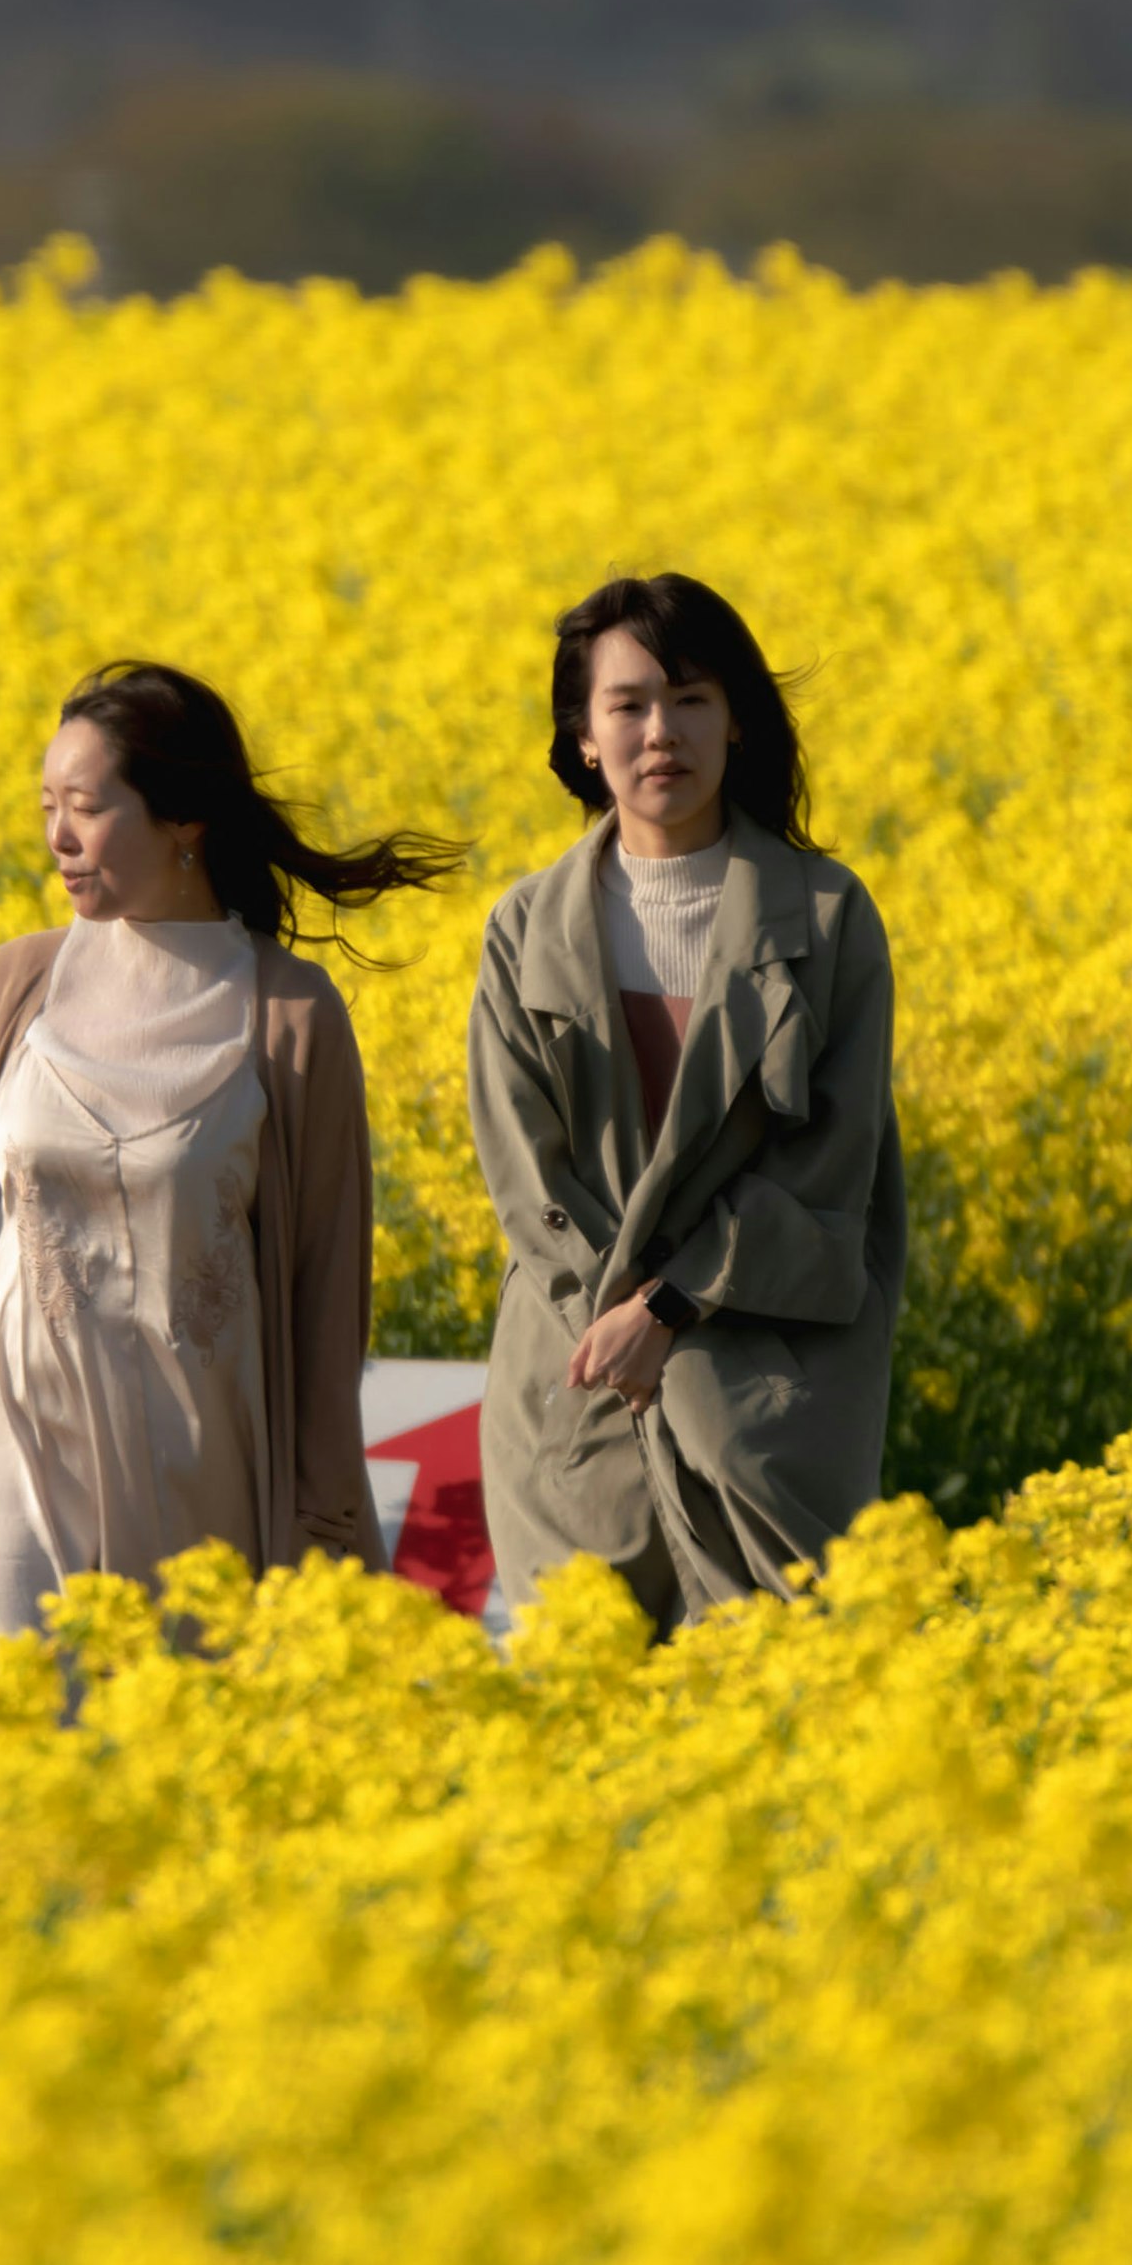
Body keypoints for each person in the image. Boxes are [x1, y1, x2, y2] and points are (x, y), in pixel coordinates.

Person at [0, 662, 456, 1631]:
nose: (58, 838)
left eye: (89, 808)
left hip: (199, 1466)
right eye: (47, 806)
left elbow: (325, 1293)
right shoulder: (9, 989)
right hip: (2, 1441)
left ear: (184, 820)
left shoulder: (287, 1013)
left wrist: (324, 1516)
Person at [466, 570, 905, 1627]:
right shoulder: (526, 930)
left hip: (767, 1395)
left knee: (787, 1701)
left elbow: (831, 1171)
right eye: (628, 705)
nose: (661, 731)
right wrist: (615, 1324)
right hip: (576, 1385)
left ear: (737, 722)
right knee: (584, 1709)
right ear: (583, 736)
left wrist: (667, 1309)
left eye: (692, 699)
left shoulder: (831, 917)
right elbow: (527, 1177)